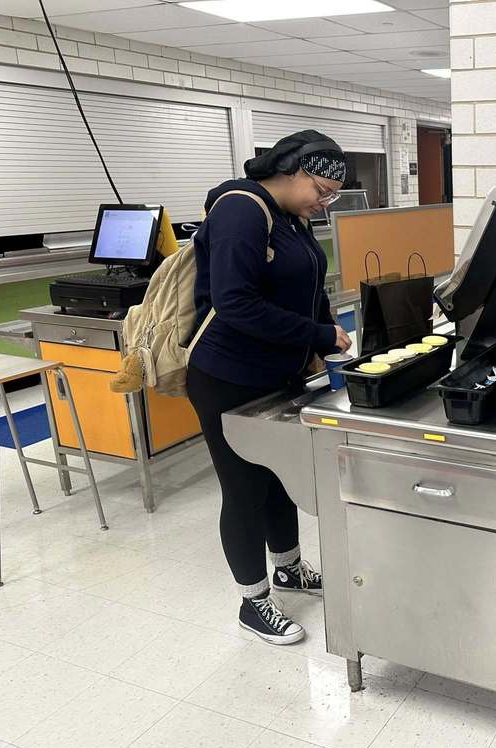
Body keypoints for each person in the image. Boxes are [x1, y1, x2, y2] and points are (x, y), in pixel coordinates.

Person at [187, 130, 353, 645]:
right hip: (228, 375)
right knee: (243, 488)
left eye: (332, 195)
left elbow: (309, 287)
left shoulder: (293, 217)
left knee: (280, 476)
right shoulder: (240, 210)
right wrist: (318, 334)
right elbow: (236, 304)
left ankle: (288, 568)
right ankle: (253, 600)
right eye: (321, 190)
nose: (324, 202)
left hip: (280, 372)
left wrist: (325, 334)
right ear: (292, 169)